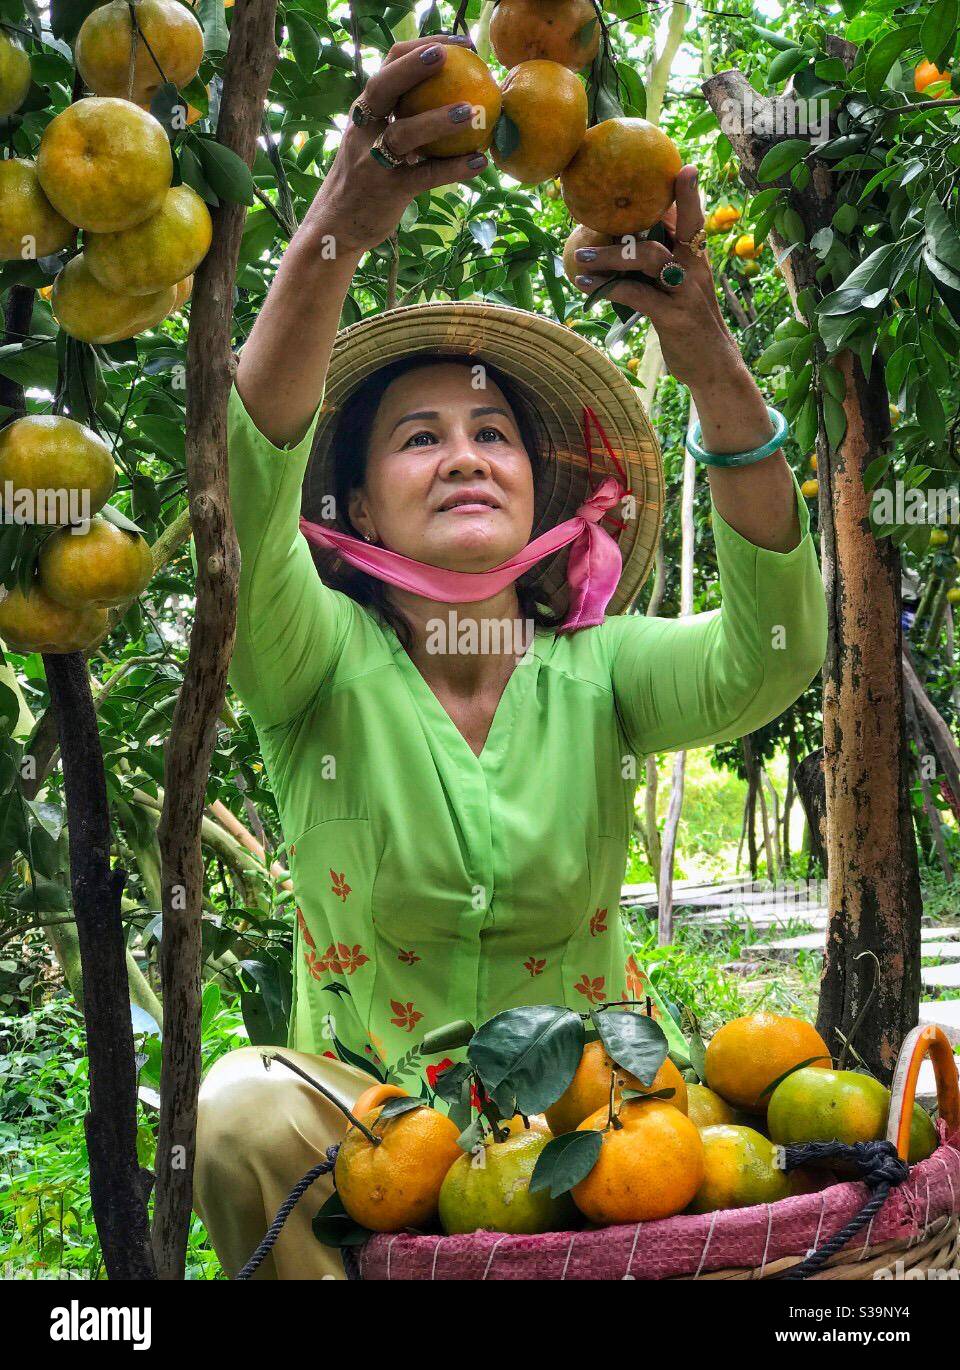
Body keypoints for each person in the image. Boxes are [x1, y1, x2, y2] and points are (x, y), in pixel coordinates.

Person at [194, 35, 827, 1279]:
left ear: (541, 492)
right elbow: (246, 480)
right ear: (363, 509)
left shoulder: (597, 670)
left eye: (494, 431)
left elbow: (774, 643)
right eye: (419, 437)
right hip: (377, 1135)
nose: (467, 453)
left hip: (590, 1133)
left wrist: (705, 346)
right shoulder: (310, 662)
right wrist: (338, 223)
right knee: (236, 1104)